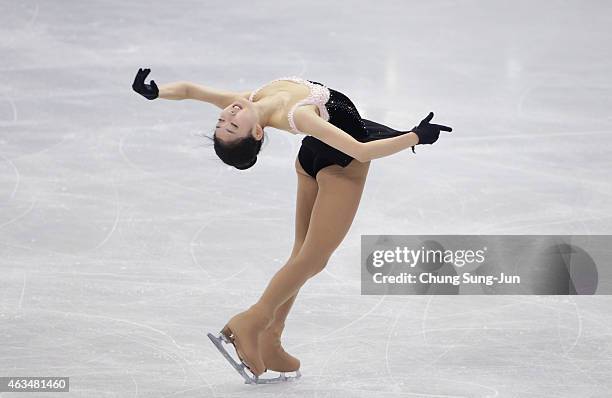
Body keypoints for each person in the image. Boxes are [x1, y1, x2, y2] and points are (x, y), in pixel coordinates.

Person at [132, 68, 453, 383]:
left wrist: (156, 92)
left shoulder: (249, 100)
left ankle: (271, 341)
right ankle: (252, 321)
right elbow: (359, 149)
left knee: (301, 254)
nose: (228, 115)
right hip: (340, 167)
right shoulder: (299, 117)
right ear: (257, 132)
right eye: (231, 125)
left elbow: (190, 90)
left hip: (310, 159)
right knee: (313, 259)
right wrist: (416, 136)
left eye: (223, 122)